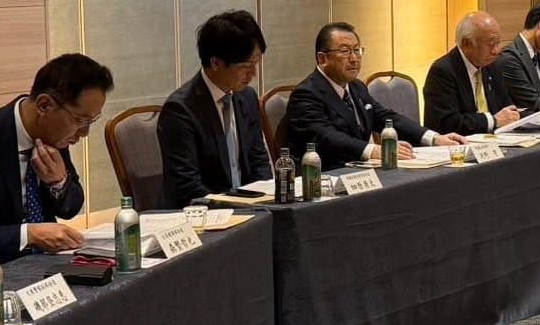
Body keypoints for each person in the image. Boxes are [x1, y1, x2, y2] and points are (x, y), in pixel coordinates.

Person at [0, 53, 110, 273]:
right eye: (80, 120)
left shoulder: (53, 135)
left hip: (46, 267)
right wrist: (28, 235)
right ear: (44, 105)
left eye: (92, 121)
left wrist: (59, 182)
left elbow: (70, 208)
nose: (85, 132)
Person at [286, 22, 465, 169]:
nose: (354, 58)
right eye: (345, 51)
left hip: (360, 170)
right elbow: (327, 137)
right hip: (326, 176)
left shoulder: (356, 86)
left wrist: (433, 138)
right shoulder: (306, 94)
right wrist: (374, 150)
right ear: (322, 59)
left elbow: (385, 117)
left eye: (357, 50)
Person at [158, 10, 273, 206]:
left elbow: (258, 161)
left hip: (252, 208)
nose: (253, 74)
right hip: (206, 212)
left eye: (256, 64)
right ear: (216, 63)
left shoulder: (247, 97)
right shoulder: (181, 110)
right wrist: (238, 207)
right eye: (246, 66)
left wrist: (267, 200)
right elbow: (188, 186)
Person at [423, 11, 521, 135]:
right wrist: (493, 120)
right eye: (491, 44)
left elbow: (505, 107)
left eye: (498, 44)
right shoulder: (442, 71)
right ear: (467, 43)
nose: (496, 51)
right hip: (459, 143)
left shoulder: (491, 65)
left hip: (496, 140)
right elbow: (448, 123)